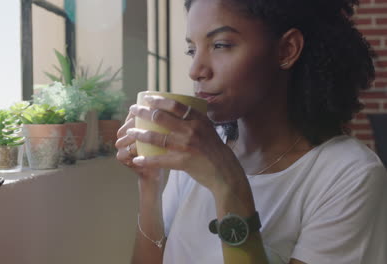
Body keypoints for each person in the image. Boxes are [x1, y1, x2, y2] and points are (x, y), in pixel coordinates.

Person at [115, 0, 387, 263]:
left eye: (220, 45)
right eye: (191, 50)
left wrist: (229, 186)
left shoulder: (350, 175)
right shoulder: (197, 149)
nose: (196, 70)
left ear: (286, 50)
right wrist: (150, 183)